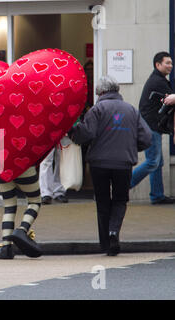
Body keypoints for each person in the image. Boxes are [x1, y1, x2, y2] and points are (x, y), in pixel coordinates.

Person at [69, 75, 152, 256]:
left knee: (103, 201)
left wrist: (73, 130)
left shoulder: (97, 110)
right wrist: (131, 148)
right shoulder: (131, 110)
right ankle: (114, 232)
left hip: (99, 164)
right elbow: (147, 138)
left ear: (101, 92)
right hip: (124, 163)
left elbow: (86, 135)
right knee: (120, 200)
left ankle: (106, 244)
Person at [130, 52, 174, 204]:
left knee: (157, 162)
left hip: (152, 126)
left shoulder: (159, 80)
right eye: (167, 63)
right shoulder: (157, 82)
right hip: (150, 127)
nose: (170, 66)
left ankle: (157, 195)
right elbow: (171, 99)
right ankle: (121, 186)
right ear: (158, 65)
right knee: (152, 162)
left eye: (171, 63)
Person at [0, 166, 42, 259]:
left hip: (2, 167)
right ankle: (22, 229)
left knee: (9, 206)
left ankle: (6, 247)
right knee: (35, 201)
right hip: (24, 167)